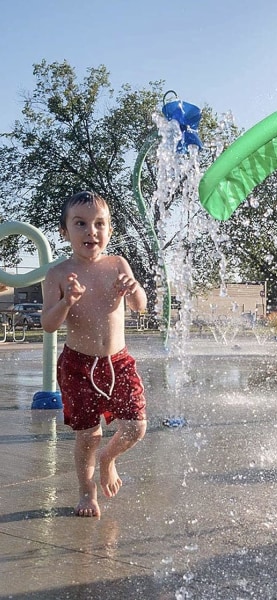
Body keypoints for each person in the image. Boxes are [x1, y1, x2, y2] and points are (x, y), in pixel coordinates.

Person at [42, 191, 147, 518]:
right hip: (78, 366)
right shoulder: (58, 275)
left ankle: (108, 459)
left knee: (136, 427)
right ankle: (87, 492)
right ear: (65, 232)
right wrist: (66, 302)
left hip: (118, 362)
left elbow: (140, 307)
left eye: (100, 224)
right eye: (81, 224)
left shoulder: (117, 265)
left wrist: (133, 290)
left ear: (110, 230)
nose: (92, 231)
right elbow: (48, 324)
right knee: (89, 434)